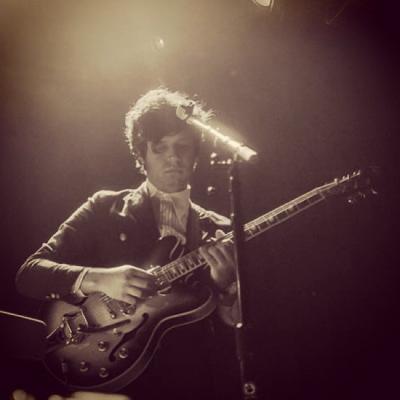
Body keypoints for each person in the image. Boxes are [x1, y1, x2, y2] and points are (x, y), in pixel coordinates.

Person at [15, 88, 239, 399]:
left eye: (183, 147)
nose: (173, 158)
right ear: (141, 155)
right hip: (111, 383)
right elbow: (30, 274)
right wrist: (98, 280)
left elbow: (238, 329)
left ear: (196, 154)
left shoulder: (219, 229)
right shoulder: (104, 207)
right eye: (160, 148)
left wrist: (228, 290)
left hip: (188, 380)